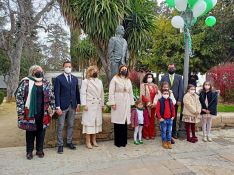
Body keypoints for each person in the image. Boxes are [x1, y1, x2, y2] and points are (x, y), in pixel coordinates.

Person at [15, 65, 55, 160]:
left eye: (41, 70)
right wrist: (20, 112)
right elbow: (19, 97)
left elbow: (52, 97)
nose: (40, 72)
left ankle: (39, 150)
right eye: (38, 70)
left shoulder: (46, 83)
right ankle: (29, 152)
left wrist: (52, 108)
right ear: (32, 72)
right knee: (30, 133)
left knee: (41, 132)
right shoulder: (25, 82)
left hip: (43, 112)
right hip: (29, 112)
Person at [54, 60, 81, 154]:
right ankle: (60, 145)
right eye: (66, 66)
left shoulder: (75, 79)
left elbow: (77, 92)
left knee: (71, 125)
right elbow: (56, 94)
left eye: (69, 66)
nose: (68, 68)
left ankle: (69, 142)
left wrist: (78, 104)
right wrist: (57, 107)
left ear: (71, 67)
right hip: (62, 106)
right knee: (60, 125)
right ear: (63, 67)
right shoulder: (58, 79)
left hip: (73, 105)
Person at [107, 65, 134, 147]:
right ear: (119, 70)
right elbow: (111, 91)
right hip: (118, 101)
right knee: (118, 122)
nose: (124, 70)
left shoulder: (128, 80)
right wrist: (112, 103)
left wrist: (131, 103)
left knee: (124, 121)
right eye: (123, 69)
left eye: (126, 69)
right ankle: (118, 142)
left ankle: (124, 141)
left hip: (126, 101)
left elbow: (131, 92)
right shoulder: (115, 78)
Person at [80, 66, 104, 149]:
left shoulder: (100, 82)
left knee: (96, 123)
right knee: (89, 123)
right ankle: (88, 141)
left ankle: (94, 140)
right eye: (93, 70)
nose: (95, 71)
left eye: (96, 70)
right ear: (89, 72)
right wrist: (84, 104)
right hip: (89, 105)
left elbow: (102, 94)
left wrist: (102, 104)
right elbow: (82, 93)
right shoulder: (85, 81)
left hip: (97, 104)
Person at [160, 63, 183, 140]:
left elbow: (181, 89)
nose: (171, 69)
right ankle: (165, 133)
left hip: (175, 101)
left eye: (172, 68)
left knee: (174, 117)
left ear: (175, 68)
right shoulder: (163, 77)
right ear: (168, 68)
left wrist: (179, 100)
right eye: (170, 68)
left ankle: (173, 132)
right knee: (165, 117)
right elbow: (161, 88)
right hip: (165, 101)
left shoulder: (179, 77)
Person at [140, 73, 158, 140]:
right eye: (148, 77)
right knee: (146, 120)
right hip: (146, 105)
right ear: (146, 78)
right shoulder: (143, 85)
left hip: (154, 105)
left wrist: (154, 103)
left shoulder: (155, 86)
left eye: (151, 77)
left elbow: (157, 95)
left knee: (152, 120)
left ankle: (152, 134)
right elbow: (142, 95)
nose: (150, 78)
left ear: (152, 78)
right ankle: (146, 134)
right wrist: (148, 102)